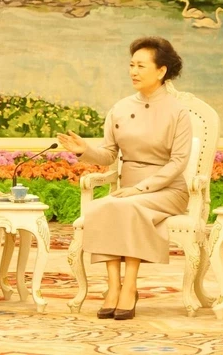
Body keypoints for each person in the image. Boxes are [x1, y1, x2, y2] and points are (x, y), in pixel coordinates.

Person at [57, 36, 192, 321]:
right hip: (128, 190)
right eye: (131, 65)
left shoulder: (178, 111)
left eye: (141, 66)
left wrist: (140, 189)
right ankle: (113, 285)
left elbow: (179, 162)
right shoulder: (119, 108)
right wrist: (85, 151)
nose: (133, 71)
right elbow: (108, 155)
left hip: (167, 190)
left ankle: (130, 285)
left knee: (127, 206)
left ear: (161, 71)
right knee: (105, 206)